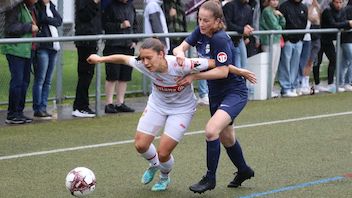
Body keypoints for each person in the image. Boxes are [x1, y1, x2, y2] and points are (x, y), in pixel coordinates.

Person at [86, 38, 253, 192]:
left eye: (149, 58)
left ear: (161, 54)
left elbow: (215, 63)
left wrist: (239, 71)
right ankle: (154, 165)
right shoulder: (142, 63)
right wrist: (100, 59)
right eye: (142, 58)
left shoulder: (182, 64)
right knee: (140, 145)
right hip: (157, 105)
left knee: (163, 152)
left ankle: (164, 177)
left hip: (182, 110)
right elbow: (123, 58)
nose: (145, 62)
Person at [173, 1, 255, 193]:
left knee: (211, 131)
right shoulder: (200, 32)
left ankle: (210, 178)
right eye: (199, 19)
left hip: (234, 92)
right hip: (216, 94)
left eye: (206, 21)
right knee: (227, 138)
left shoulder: (220, 39)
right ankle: (243, 170)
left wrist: (194, 76)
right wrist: (180, 55)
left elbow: (222, 72)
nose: (201, 24)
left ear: (218, 21)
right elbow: (180, 47)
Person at [1, 0, 38, 124]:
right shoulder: (15, 8)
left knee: (25, 81)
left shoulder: (30, 8)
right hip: (15, 49)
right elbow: (10, 28)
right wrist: (29, 27)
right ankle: (12, 114)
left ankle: (19, 112)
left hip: (26, 50)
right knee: (17, 81)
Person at [102, 0, 137, 113]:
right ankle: (109, 103)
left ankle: (120, 102)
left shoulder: (131, 6)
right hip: (114, 45)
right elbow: (105, 25)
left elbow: (135, 24)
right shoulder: (110, 7)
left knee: (125, 75)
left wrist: (135, 40)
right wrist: (120, 25)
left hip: (128, 45)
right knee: (112, 75)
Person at [32, 0, 62, 119]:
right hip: (43, 46)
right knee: (40, 79)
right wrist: (50, 19)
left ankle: (43, 106)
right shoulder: (37, 7)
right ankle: (38, 108)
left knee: (48, 80)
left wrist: (49, 19)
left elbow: (59, 20)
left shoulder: (52, 6)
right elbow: (41, 19)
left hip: (53, 47)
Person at [72, 0, 102, 118]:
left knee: (88, 74)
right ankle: (80, 106)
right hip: (85, 40)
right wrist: (93, 3)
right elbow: (84, 16)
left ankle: (83, 105)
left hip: (92, 39)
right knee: (85, 74)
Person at [277, 0, 307, 97]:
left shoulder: (303, 7)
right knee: (285, 64)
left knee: (295, 65)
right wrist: (286, 38)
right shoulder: (284, 6)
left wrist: (301, 38)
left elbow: (304, 23)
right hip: (287, 41)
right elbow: (281, 23)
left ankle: (293, 86)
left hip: (298, 41)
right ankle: (285, 88)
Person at [259, 0, 286, 98]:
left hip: (276, 40)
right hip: (269, 41)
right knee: (270, 67)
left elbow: (283, 24)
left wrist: (281, 16)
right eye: (273, 0)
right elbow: (275, 27)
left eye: (277, 0)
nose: (275, 2)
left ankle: (270, 90)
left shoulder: (275, 11)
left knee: (274, 67)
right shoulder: (267, 11)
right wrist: (279, 21)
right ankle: (267, 91)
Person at [223, 0, 254, 68]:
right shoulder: (229, 6)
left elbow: (249, 23)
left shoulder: (248, 8)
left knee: (244, 65)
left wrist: (248, 30)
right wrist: (242, 30)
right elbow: (227, 24)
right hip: (229, 40)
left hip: (240, 40)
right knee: (237, 66)